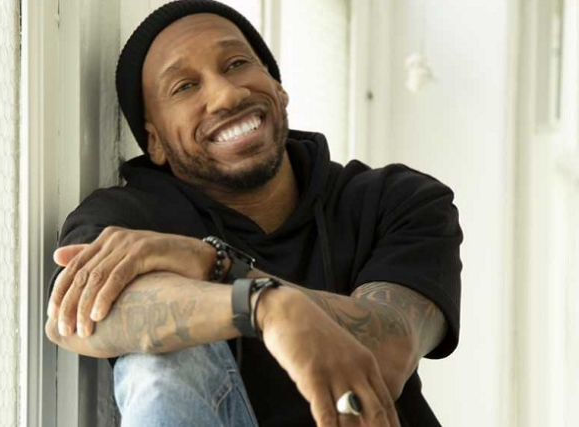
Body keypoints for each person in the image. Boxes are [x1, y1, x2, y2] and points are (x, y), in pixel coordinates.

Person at [45, 1, 463, 426]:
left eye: (237, 64)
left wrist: (217, 266)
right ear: (154, 141)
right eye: (184, 86)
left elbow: (390, 348)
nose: (226, 95)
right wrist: (265, 306)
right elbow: (79, 320)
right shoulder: (126, 219)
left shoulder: (396, 200)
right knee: (163, 357)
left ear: (277, 87)